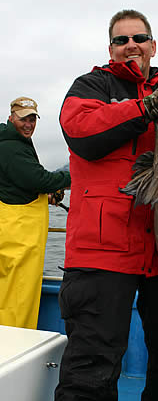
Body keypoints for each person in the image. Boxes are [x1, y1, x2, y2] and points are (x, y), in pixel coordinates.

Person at [43, 9, 158, 401]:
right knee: (92, 367)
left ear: (154, 44)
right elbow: (83, 133)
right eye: (120, 39)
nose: (131, 45)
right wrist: (147, 108)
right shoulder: (91, 87)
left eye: (140, 37)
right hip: (101, 250)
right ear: (110, 48)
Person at [0, 96, 71, 329]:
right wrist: (74, 175)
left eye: (32, 119)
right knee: (18, 295)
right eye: (23, 119)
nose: (28, 124)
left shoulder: (14, 142)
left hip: (14, 233)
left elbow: (20, 184)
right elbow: (38, 179)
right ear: (11, 118)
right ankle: (12, 349)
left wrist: (46, 196)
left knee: (10, 291)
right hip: (19, 238)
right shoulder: (11, 147)